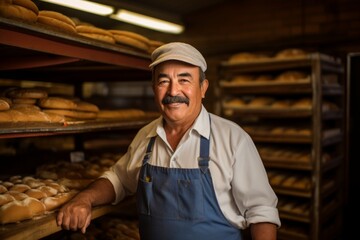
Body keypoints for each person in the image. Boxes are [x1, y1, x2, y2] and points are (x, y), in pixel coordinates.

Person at [57, 42, 281, 240]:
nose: (174, 91)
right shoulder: (146, 137)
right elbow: (118, 180)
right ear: (154, 89)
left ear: (203, 88)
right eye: (164, 81)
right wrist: (84, 199)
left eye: (184, 80)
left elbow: (261, 211)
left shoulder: (233, 138)